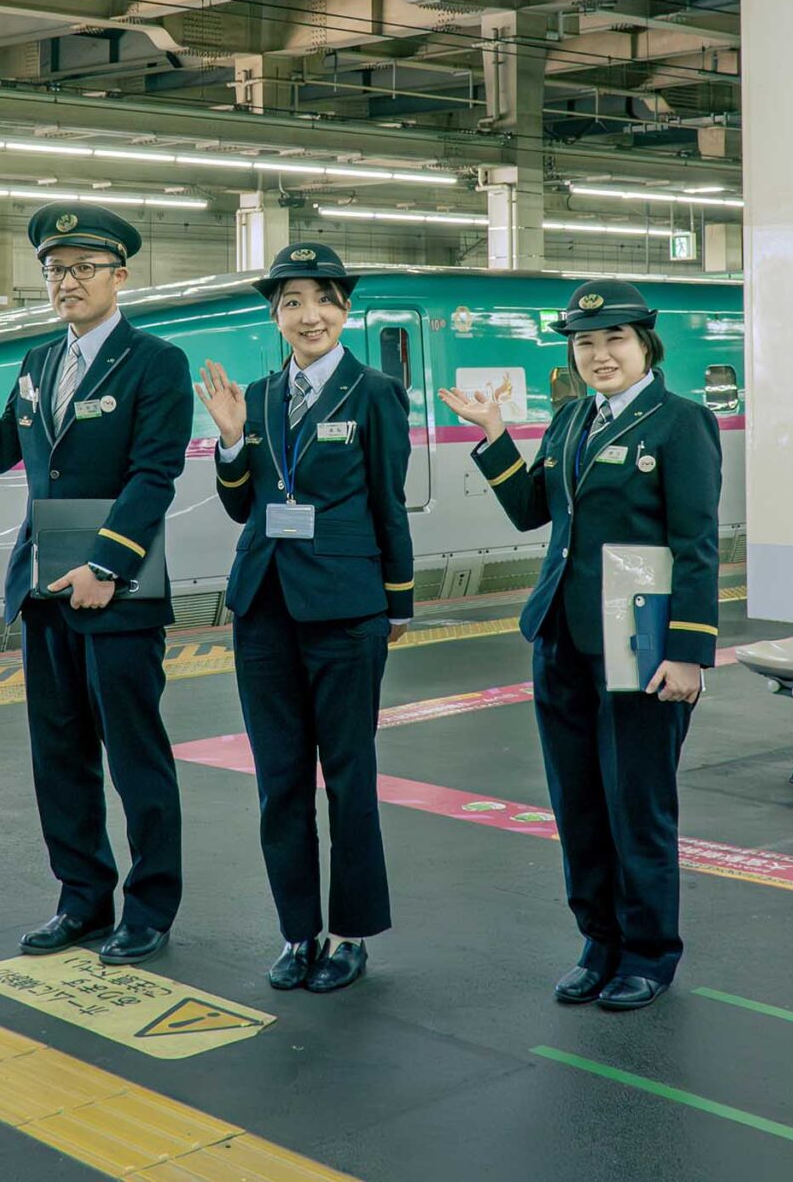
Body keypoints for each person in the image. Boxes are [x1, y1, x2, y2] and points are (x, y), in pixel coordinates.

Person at [438, 280, 718, 1013]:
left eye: (614, 339)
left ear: (645, 344)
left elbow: (695, 542)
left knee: (637, 802)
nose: (599, 354)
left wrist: (688, 650)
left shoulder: (682, 422)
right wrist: (494, 436)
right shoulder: (571, 419)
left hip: (640, 638)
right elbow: (533, 511)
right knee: (579, 801)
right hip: (561, 633)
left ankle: (648, 952)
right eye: (585, 342)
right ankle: (598, 941)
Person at [0, 203, 192, 966]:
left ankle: (150, 908)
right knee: (60, 756)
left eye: (82, 268)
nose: (66, 281)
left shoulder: (155, 362)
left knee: (135, 757)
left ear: (120, 275)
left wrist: (106, 564)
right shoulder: (38, 362)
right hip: (45, 584)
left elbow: (154, 475)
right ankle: (82, 899)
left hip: (119, 589)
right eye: (54, 269)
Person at [195, 243, 414, 995]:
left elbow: (388, 500)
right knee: (279, 780)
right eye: (292, 302)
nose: (308, 315)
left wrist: (398, 599)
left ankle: (350, 933)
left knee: (350, 776)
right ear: (276, 315)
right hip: (263, 607)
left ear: (344, 311)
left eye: (323, 300)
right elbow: (242, 505)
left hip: (347, 609)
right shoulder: (254, 398)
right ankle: (298, 932)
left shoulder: (375, 392)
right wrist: (230, 441)